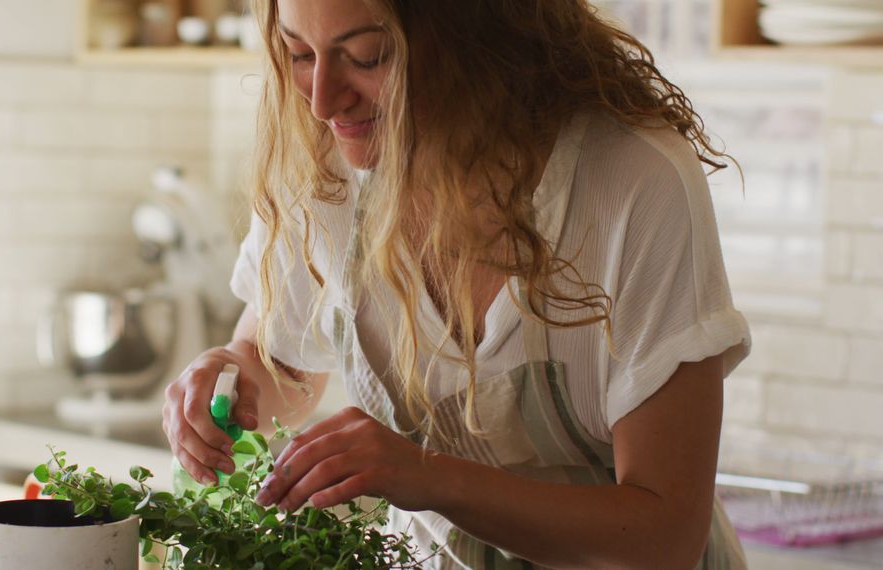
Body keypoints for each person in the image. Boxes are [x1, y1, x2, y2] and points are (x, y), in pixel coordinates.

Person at [161, 0, 752, 568]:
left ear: (481, 35)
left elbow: (665, 536)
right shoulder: (323, 170)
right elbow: (279, 368)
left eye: (367, 57)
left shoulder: (631, 182)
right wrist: (228, 383)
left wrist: (427, 476)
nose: (321, 101)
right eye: (298, 53)